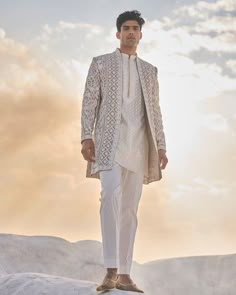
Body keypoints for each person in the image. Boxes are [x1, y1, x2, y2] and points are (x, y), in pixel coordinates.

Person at [81, 10, 168, 293]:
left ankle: (126, 274)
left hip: (139, 145)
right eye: (126, 28)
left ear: (141, 35)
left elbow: (155, 111)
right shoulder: (101, 64)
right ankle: (110, 270)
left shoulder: (149, 70)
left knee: (130, 209)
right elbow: (89, 101)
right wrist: (85, 136)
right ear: (118, 33)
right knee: (109, 195)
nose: (131, 32)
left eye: (135, 28)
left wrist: (162, 145)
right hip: (109, 143)